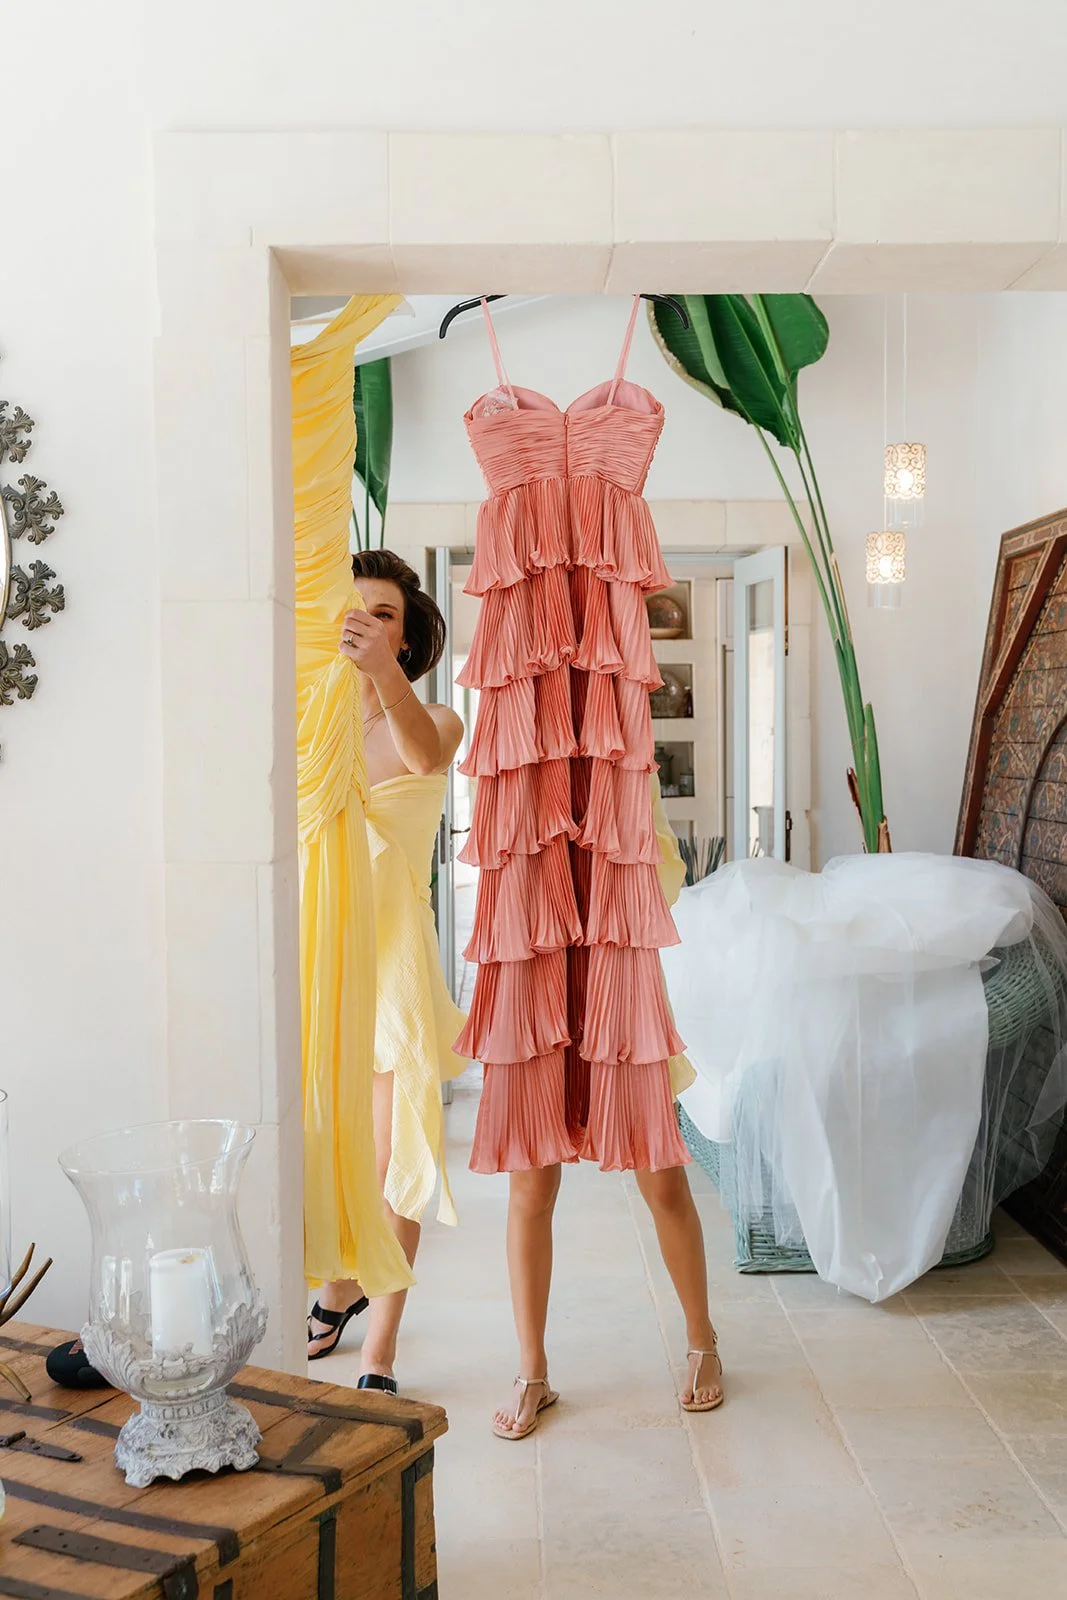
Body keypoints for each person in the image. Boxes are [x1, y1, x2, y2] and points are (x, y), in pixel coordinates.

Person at [306, 549, 465, 1393]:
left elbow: (424, 760)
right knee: (324, 1139)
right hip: (319, 948)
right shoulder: (310, 716)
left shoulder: (435, 716)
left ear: (404, 639)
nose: (363, 620)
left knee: (396, 1149)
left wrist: (380, 681)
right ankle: (336, 1285)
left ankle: (381, 1349)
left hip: (392, 949)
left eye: (384, 613)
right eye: (353, 608)